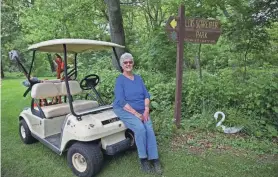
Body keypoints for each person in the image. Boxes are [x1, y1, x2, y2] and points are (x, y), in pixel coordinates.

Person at [113, 53, 162, 174]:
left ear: (133, 63)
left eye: (130, 62)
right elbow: (121, 100)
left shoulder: (138, 78)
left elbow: (146, 95)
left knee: (149, 129)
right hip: (124, 109)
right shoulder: (120, 80)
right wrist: (136, 114)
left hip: (142, 109)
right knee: (140, 129)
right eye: (125, 62)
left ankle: (154, 159)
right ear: (122, 65)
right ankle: (143, 159)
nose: (128, 64)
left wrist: (146, 110)